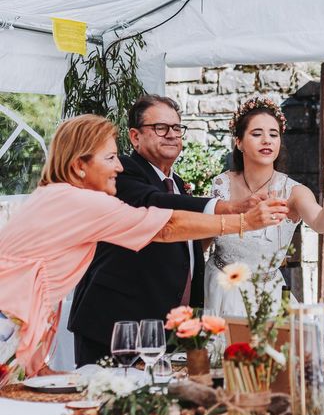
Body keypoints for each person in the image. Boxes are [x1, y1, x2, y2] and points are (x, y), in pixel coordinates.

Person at [0, 114, 285, 377]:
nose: (119, 167)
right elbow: (166, 227)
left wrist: (39, 369)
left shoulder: (53, 195)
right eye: (110, 157)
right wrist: (243, 222)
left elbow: (37, 286)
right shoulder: (82, 201)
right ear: (79, 166)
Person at [68, 95, 269, 366]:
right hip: (115, 324)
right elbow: (160, 209)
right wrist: (230, 209)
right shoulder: (122, 174)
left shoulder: (176, 183)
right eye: (161, 128)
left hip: (164, 327)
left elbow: (182, 245)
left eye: (176, 128)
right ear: (135, 136)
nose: (172, 135)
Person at [205, 96, 324, 317]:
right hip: (219, 289)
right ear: (239, 142)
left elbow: (320, 224)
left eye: (274, 134)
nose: (267, 140)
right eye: (257, 134)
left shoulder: (294, 192)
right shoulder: (220, 184)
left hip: (266, 296)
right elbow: (205, 235)